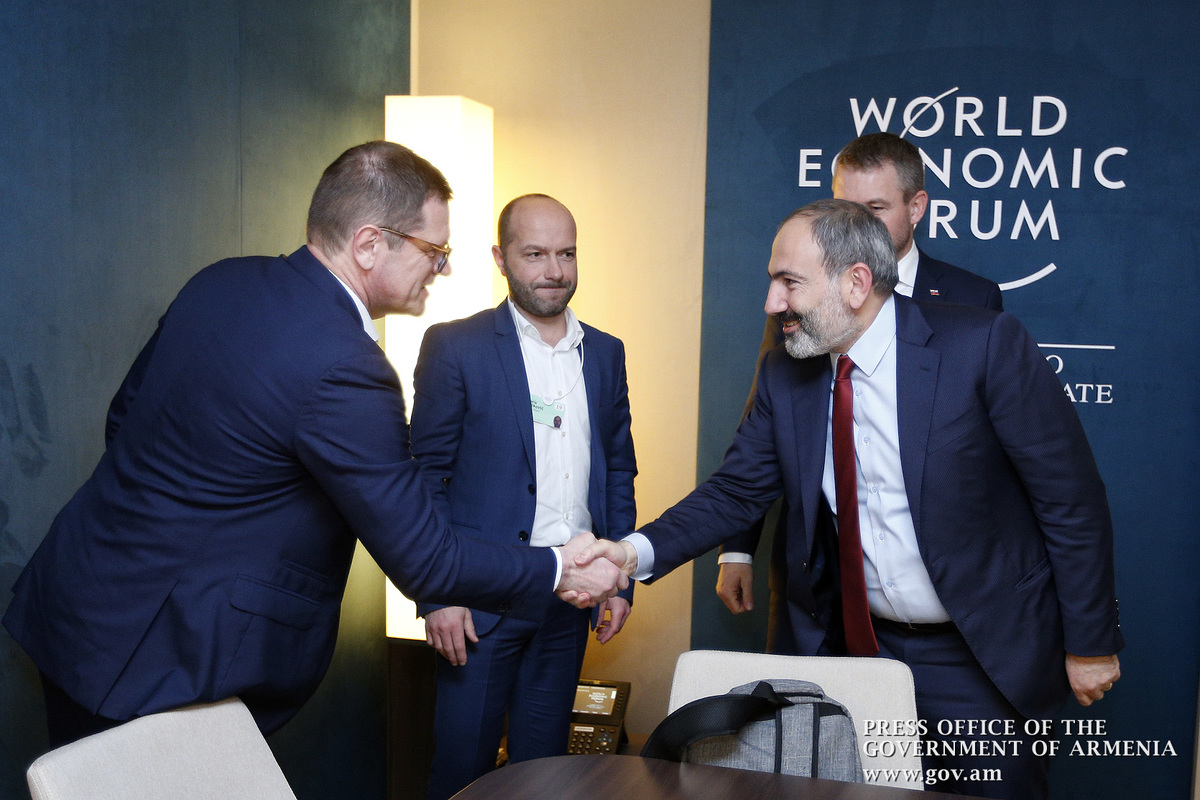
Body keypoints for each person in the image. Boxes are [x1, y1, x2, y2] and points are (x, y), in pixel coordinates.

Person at [2, 142, 626, 749]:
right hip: (163, 651)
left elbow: (124, 418)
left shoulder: (222, 280)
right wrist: (558, 566)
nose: (443, 268)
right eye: (434, 250)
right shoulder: (346, 368)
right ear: (369, 245)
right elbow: (425, 560)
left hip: (76, 597)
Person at [584, 199, 1123, 799]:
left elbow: (1070, 501)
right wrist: (628, 554)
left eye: (789, 282)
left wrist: (1091, 642)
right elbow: (735, 491)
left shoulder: (984, 346)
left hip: (979, 653)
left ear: (856, 283)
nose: (772, 303)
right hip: (857, 652)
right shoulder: (784, 374)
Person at [717, 132, 1003, 645]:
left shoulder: (972, 301)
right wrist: (737, 547)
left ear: (916, 208)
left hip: (936, 587)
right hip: (818, 573)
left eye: (874, 208)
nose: (854, 224)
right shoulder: (796, 299)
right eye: (843, 207)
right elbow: (761, 429)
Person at [411, 194, 636, 800]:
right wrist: (437, 595)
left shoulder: (605, 352)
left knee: (547, 777)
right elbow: (426, 477)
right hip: (478, 603)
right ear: (500, 258)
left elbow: (619, 469)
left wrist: (621, 578)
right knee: (463, 774)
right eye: (535, 254)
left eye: (566, 254)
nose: (554, 271)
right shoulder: (456, 346)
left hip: (569, 601)